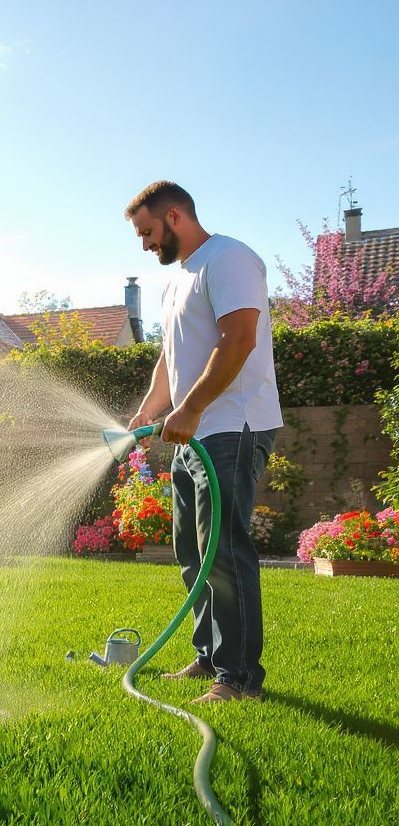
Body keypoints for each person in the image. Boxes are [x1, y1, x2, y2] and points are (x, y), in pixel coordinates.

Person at [124, 181, 282, 703]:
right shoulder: (177, 282)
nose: (145, 244)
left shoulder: (229, 259)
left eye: (147, 232)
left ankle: (239, 679)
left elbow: (239, 339)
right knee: (191, 551)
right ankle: (210, 658)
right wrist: (150, 411)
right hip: (195, 433)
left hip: (233, 424)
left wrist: (191, 408)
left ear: (174, 216)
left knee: (225, 551)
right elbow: (170, 360)